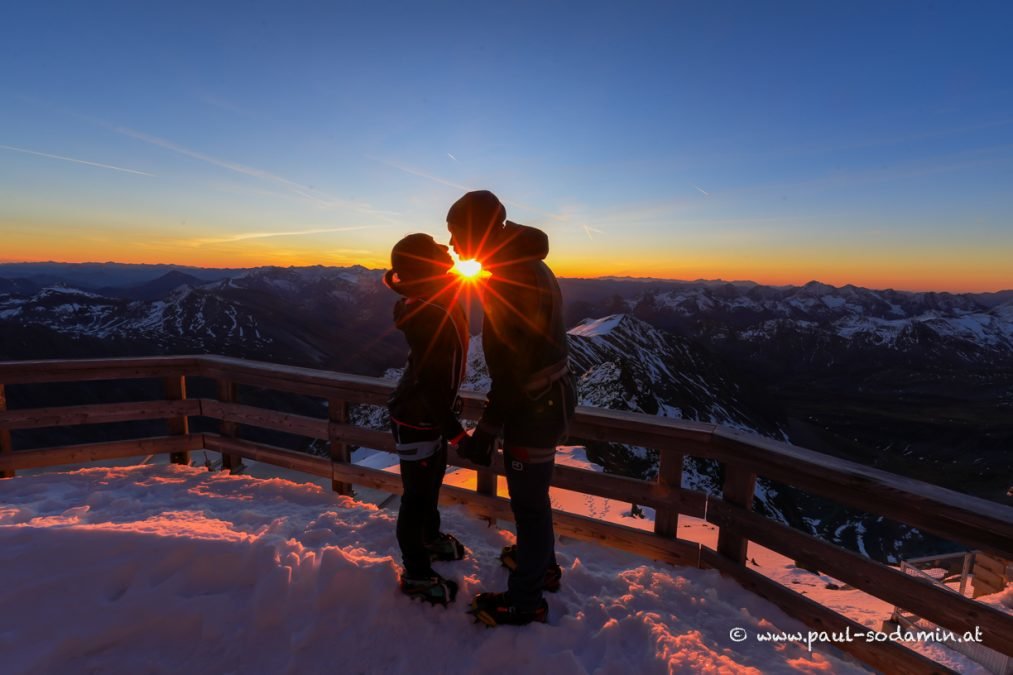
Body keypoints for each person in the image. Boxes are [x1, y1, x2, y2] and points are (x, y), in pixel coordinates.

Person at [449, 190, 576, 626]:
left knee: (530, 506)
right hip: (548, 398)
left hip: (533, 408)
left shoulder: (507, 278)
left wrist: (487, 430)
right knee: (534, 500)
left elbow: (512, 368)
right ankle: (541, 565)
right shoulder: (526, 263)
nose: (451, 244)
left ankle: (526, 600)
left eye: (455, 233)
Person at [384, 233, 470, 606]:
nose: (446, 250)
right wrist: (457, 434)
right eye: (437, 251)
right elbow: (431, 383)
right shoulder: (430, 314)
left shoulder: (435, 303)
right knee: (416, 497)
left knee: (429, 484)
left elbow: (434, 374)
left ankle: (430, 539)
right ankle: (416, 572)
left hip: (423, 415)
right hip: (419, 418)